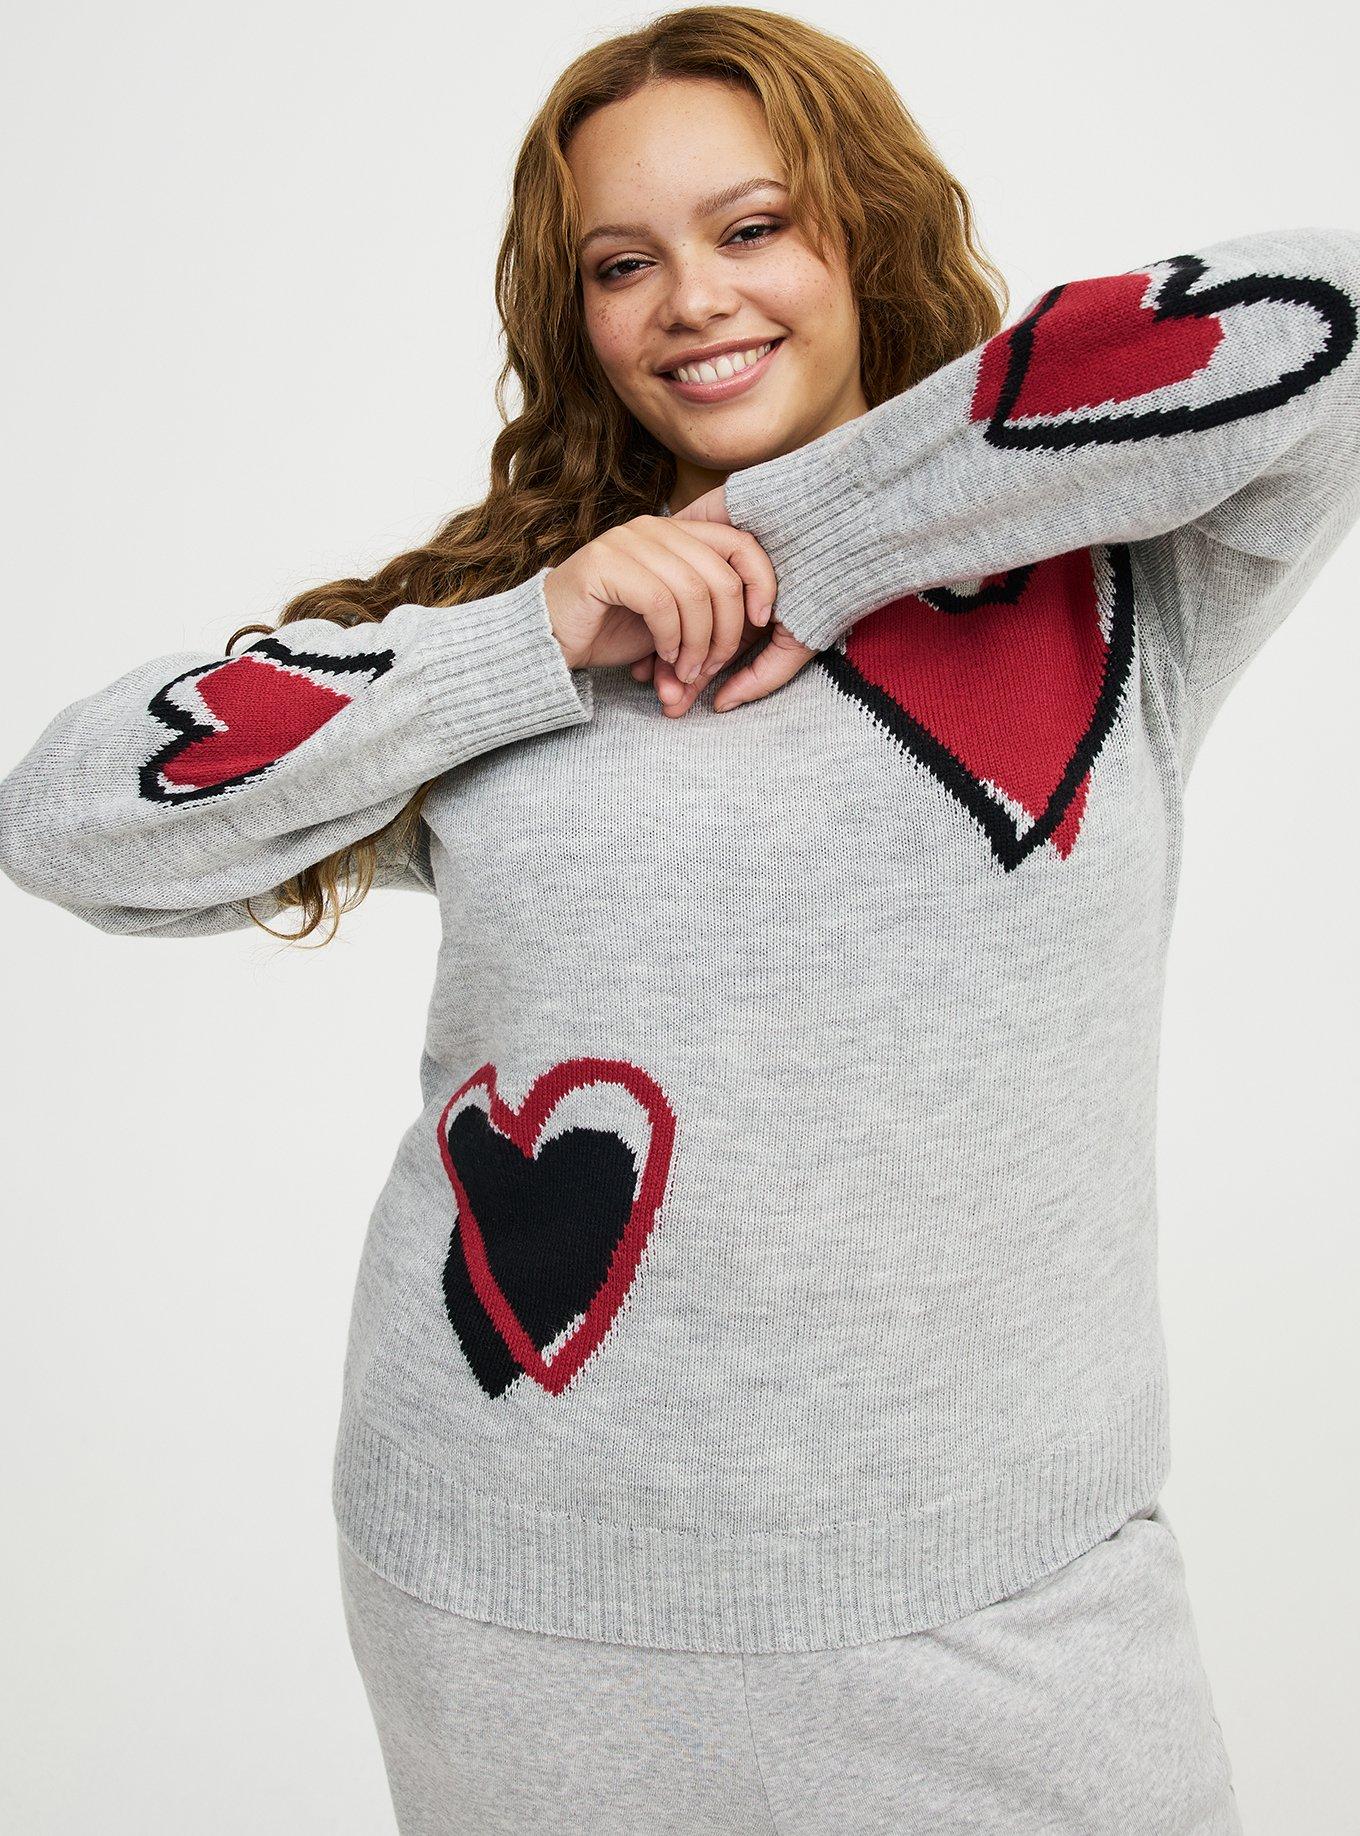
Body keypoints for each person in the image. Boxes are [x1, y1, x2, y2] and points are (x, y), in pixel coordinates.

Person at [2, 6, 1357, 1831]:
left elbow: (1328, 316)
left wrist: (821, 538)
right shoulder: (513, 644)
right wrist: (529, 636)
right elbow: (69, 819)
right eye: (620, 264)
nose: (693, 301)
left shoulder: (1108, 592)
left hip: (1010, 1606)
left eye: (754, 226)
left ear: (863, 230)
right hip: (520, 1600)